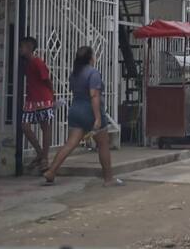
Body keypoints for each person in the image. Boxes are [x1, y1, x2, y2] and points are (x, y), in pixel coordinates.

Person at [43, 46, 121, 187]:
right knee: (103, 143)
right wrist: (97, 118)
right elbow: (94, 95)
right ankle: (108, 179)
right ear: (91, 58)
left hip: (75, 109)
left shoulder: (74, 74)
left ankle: (51, 171)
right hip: (90, 110)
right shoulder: (93, 73)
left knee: (70, 143)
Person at [20, 37, 55, 171]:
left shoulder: (37, 62)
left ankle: (44, 157)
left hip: (42, 98)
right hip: (32, 99)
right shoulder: (27, 63)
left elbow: (47, 80)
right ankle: (41, 153)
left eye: (22, 46)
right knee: (25, 126)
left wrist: (52, 94)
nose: (20, 49)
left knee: (44, 127)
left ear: (29, 47)